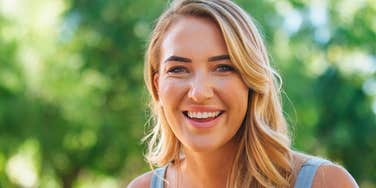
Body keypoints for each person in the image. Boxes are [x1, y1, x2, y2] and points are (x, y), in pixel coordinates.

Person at [128, 0, 358, 187]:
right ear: (157, 86)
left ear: (251, 80)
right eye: (178, 69)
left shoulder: (325, 183)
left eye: (223, 68)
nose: (199, 93)